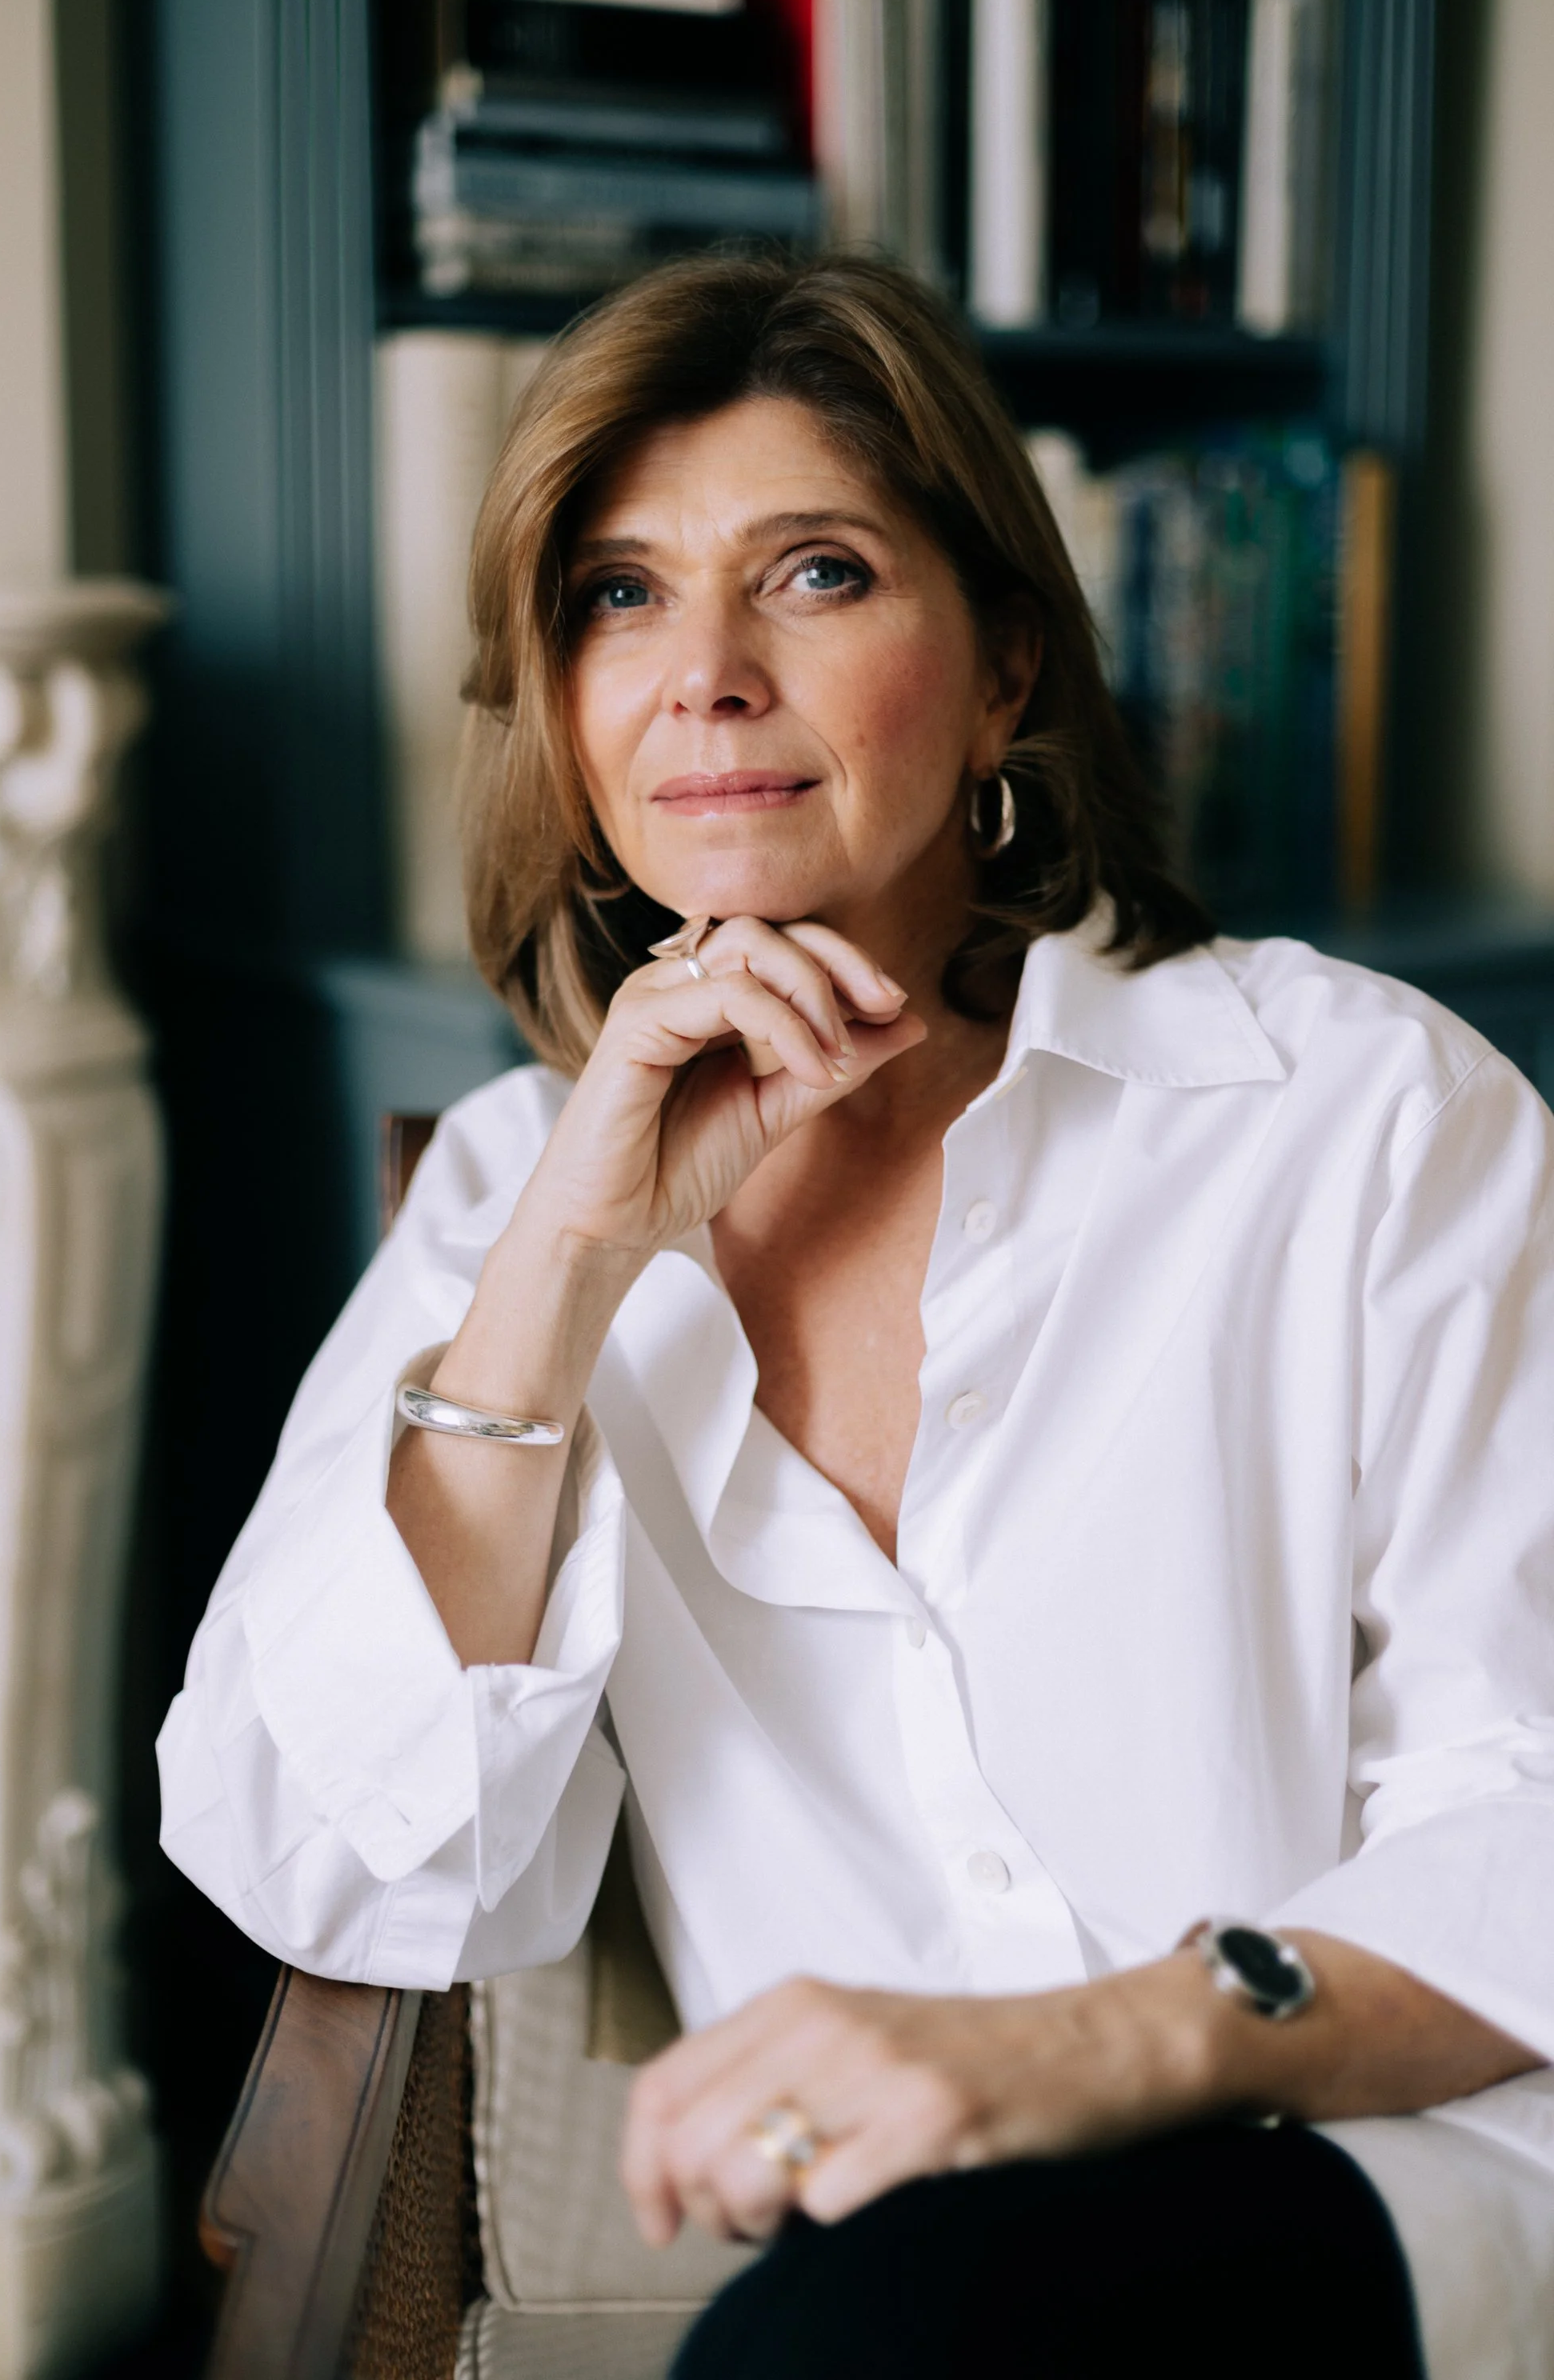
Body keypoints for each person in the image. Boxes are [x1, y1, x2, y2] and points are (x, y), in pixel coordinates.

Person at [158, 254, 1554, 2379]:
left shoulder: (1351, 1113)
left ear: (1007, 664)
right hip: (881, 2297)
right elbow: (330, 1868)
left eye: (811, 571)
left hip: (1400, 2185)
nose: (701, 672)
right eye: (619, 594)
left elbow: (1529, 1794)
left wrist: (1086, 2054)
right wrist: (566, 1264)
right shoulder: (506, 1208)